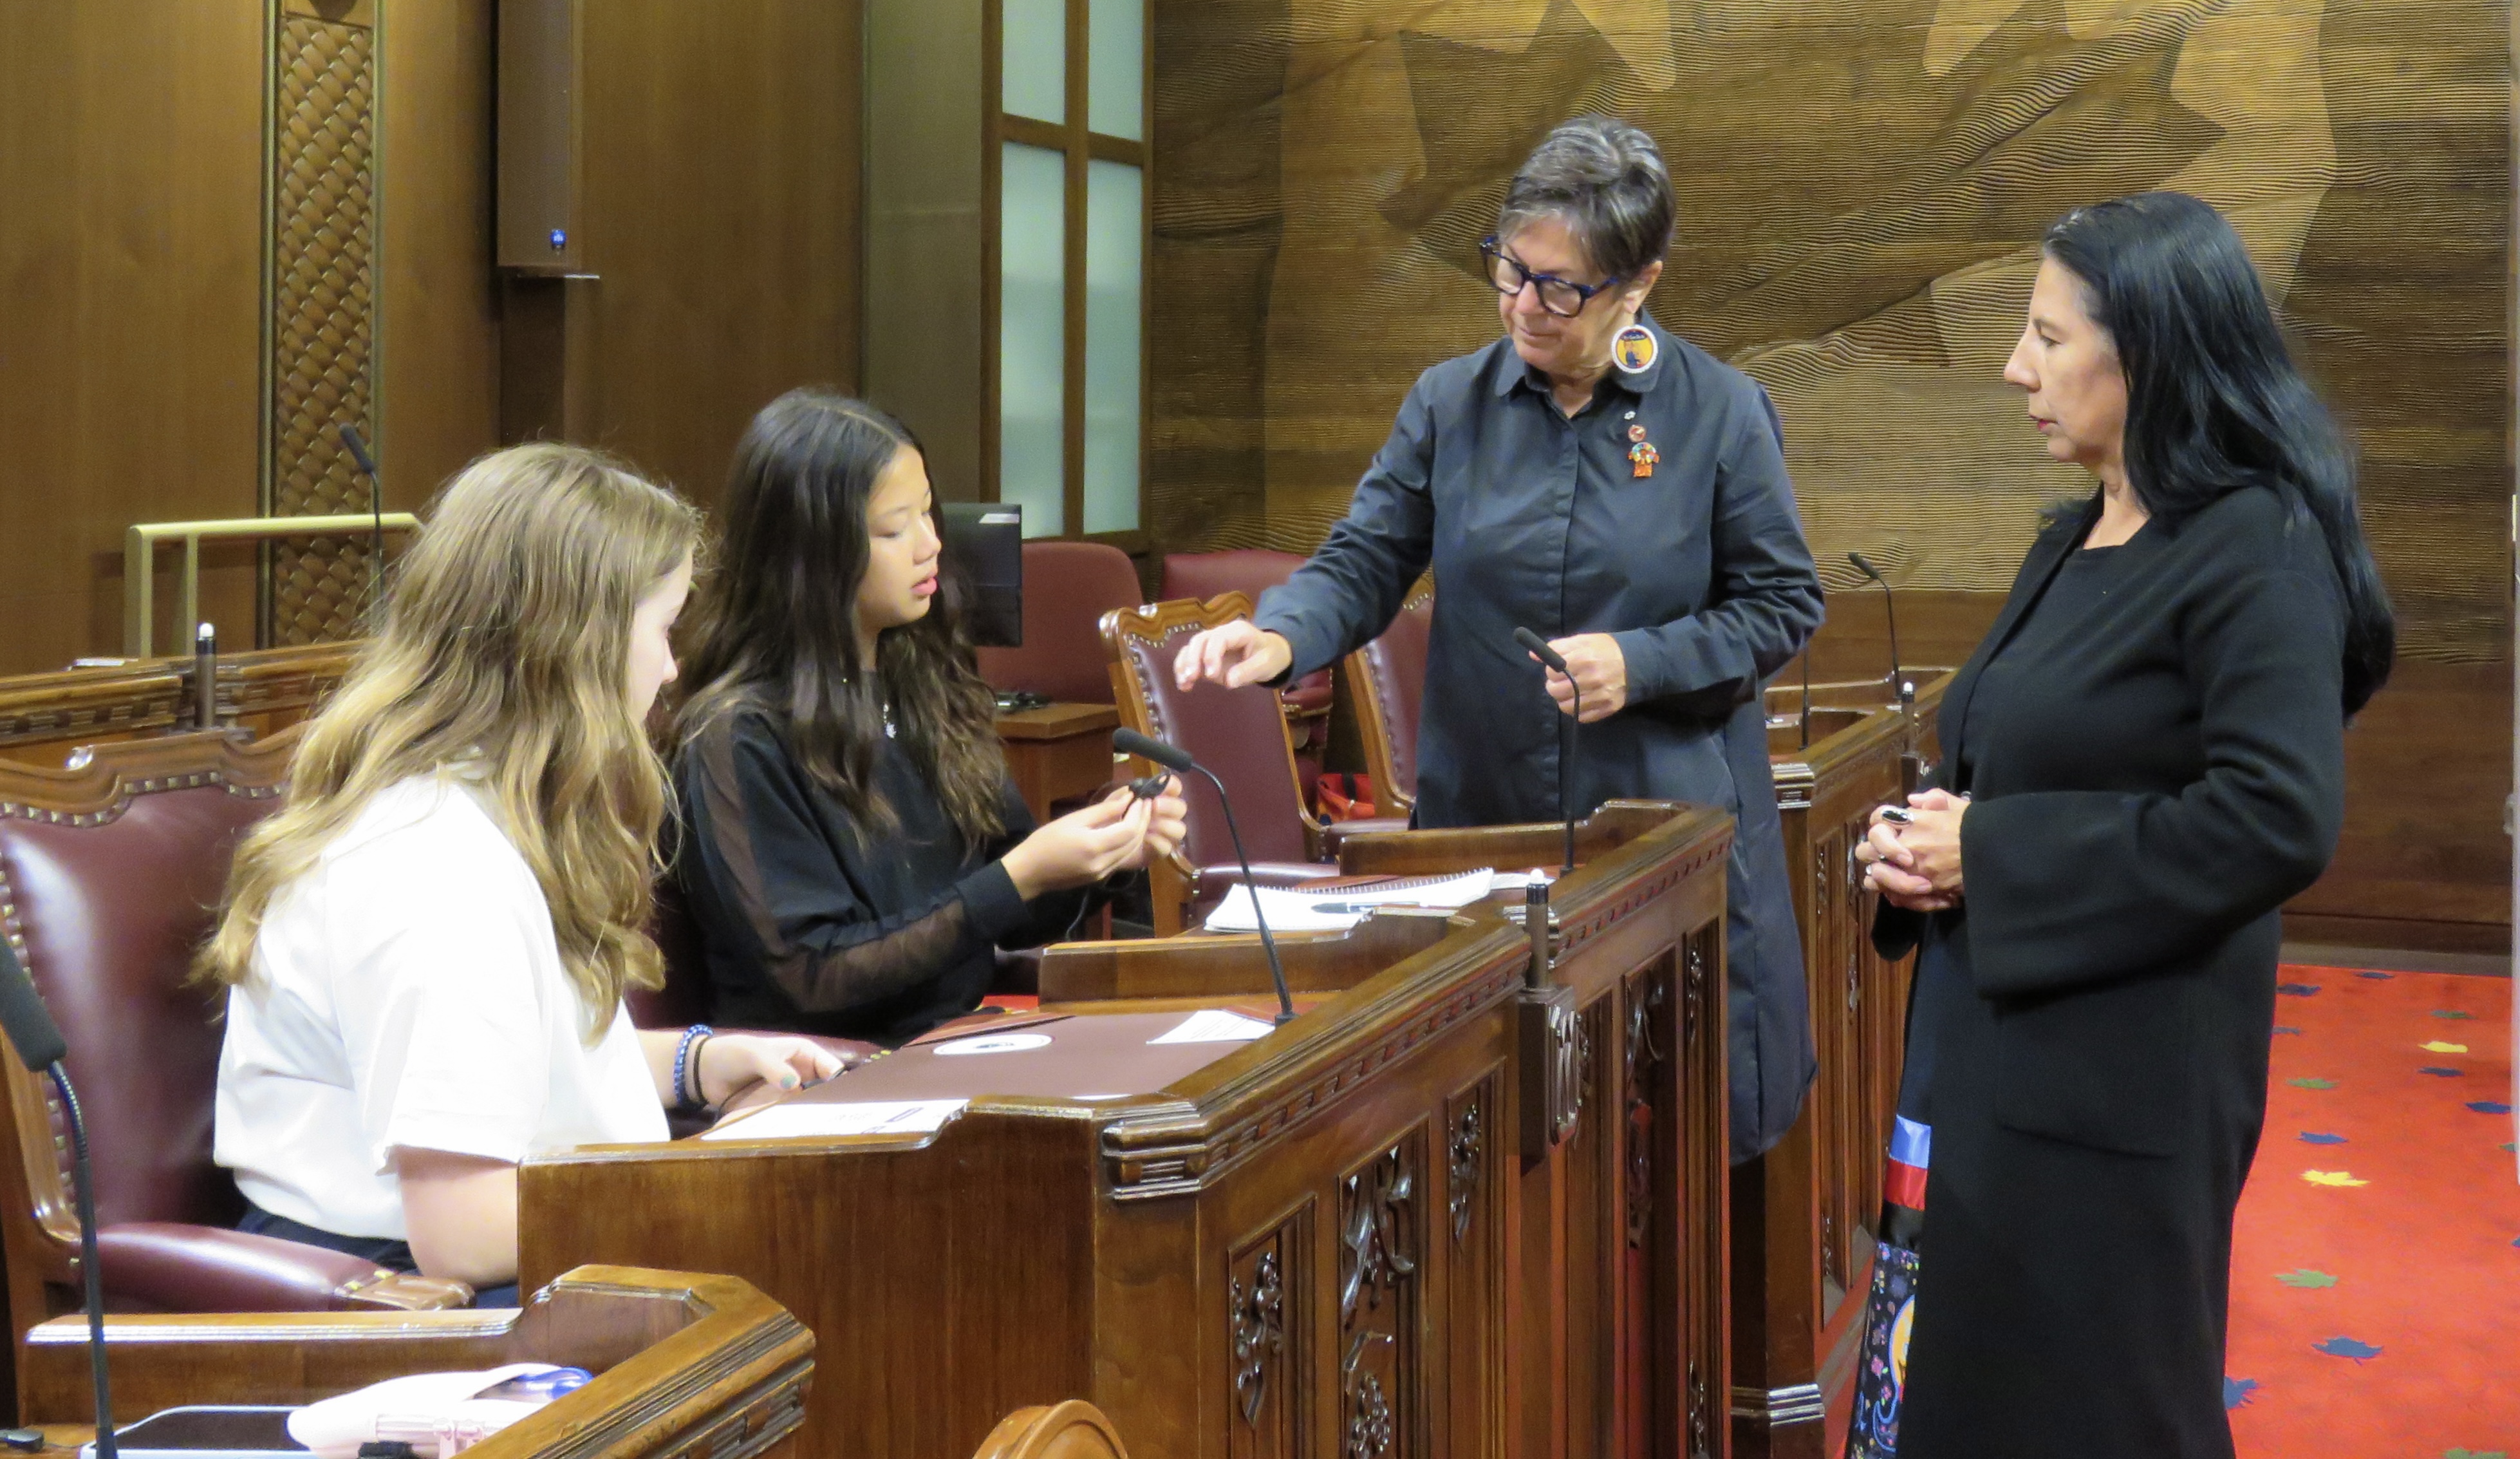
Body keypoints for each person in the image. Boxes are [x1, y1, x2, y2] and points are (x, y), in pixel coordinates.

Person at [1857, 191, 2393, 1458]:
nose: (2014, 368)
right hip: (1987, 1055)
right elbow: (2012, 758)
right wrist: (1920, 840)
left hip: (2121, 1083)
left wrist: (1982, 850)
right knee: (1969, 1392)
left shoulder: (2254, 546)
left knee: (2096, 1402)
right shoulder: (2072, 533)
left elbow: (2277, 814)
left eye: (2045, 337)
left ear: (2144, 350)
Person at [1177, 115, 1825, 1160]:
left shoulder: (1719, 412)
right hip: (1483, 833)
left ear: (1637, 285)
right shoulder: (1450, 402)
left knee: (1670, 1140)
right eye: (1511, 270)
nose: (1526, 304)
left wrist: (1643, 661)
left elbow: (1783, 603)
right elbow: (1365, 559)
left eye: (1561, 287)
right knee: (1497, 1153)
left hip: (1657, 842)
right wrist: (1283, 634)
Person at [207, 444, 841, 1301]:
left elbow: (512, 1072)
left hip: (497, 1257)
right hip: (413, 1302)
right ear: (577, 645)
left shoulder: (476, 809)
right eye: (662, 628)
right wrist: (715, 1175)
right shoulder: (434, 871)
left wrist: (699, 1061)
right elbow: (463, 1232)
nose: (671, 667)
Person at [671, 391, 1189, 1046]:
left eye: (928, 514)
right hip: (832, 1076)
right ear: (810, 555)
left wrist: (1107, 848)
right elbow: (812, 976)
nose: (932, 544)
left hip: (962, 1040)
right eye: (895, 529)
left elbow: (1011, 911)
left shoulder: (923, 681)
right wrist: (1020, 875)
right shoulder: (738, 734)